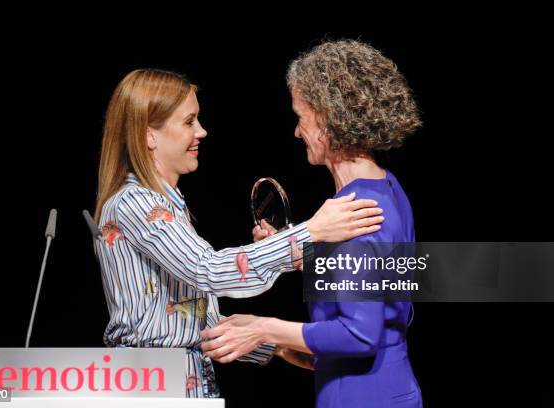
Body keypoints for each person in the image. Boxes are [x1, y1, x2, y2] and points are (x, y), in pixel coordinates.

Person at [93, 68, 385, 398]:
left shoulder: (165, 206)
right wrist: (311, 231)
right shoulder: (136, 203)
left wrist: (274, 346)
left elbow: (187, 314)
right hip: (154, 387)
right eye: (189, 121)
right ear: (149, 135)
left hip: (182, 381)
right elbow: (209, 270)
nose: (202, 131)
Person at [201, 40, 423, 407]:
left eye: (300, 117)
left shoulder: (354, 213)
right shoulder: (388, 188)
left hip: (359, 396)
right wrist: (310, 256)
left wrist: (263, 329)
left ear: (326, 118)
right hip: (390, 386)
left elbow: (359, 334)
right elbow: (386, 292)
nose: (296, 131)